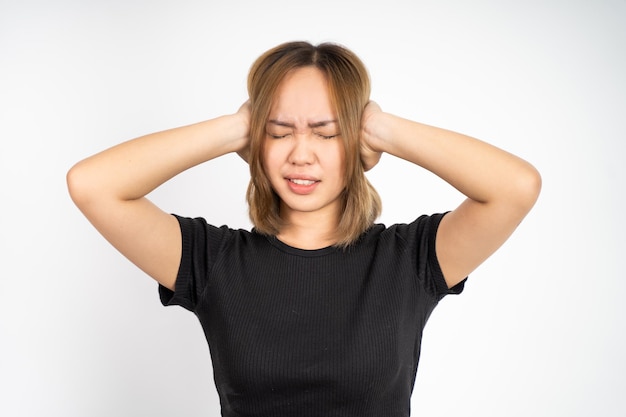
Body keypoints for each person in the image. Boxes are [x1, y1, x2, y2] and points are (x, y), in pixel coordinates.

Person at [67, 41, 541, 416]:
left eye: (326, 132)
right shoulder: (211, 260)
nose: (301, 153)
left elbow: (516, 187)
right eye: (278, 132)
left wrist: (381, 129)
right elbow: (92, 185)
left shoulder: (411, 259)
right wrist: (238, 127)